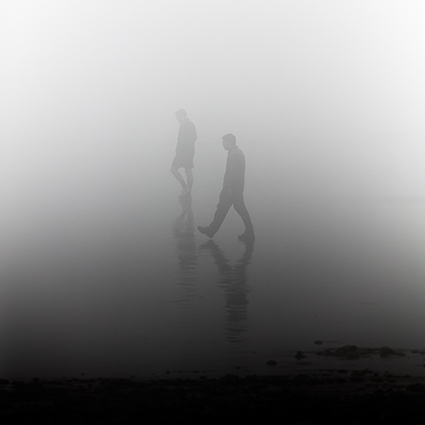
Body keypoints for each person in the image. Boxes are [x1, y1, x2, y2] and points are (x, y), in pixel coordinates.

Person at [198, 133, 254, 240]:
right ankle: (249, 231)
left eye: (224, 142)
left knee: (222, 209)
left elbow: (232, 173)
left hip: (231, 189)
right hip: (237, 188)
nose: (222, 145)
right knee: (238, 208)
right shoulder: (238, 153)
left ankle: (211, 230)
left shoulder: (233, 155)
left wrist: (229, 188)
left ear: (229, 142)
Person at [171, 109, 197, 197]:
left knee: (173, 169)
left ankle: (186, 187)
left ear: (181, 115)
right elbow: (194, 138)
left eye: (177, 116)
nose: (176, 118)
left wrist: (179, 150)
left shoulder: (184, 125)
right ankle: (188, 189)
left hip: (183, 151)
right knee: (188, 169)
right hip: (189, 151)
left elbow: (181, 140)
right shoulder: (191, 124)